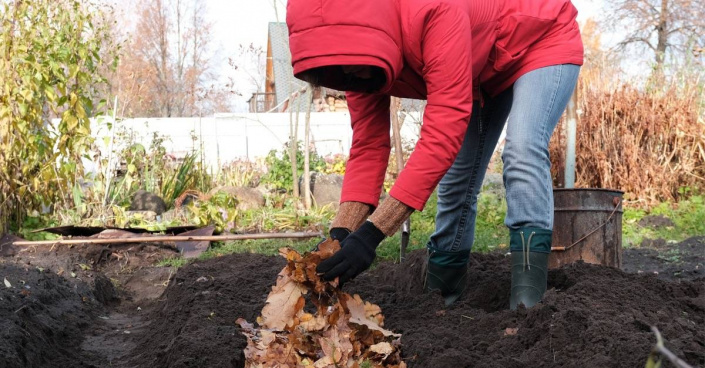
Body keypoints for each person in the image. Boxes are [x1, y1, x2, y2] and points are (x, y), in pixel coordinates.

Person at [286, 0, 583, 309]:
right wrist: (341, 234)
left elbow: (443, 130)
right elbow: (368, 145)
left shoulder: (433, 10)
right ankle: (442, 296)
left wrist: (372, 234)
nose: (347, 72)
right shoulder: (353, 60)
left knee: (522, 148)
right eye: (338, 69)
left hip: (541, 38)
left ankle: (527, 301)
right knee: (458, 179)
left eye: (348, 66)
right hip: (479, 65)